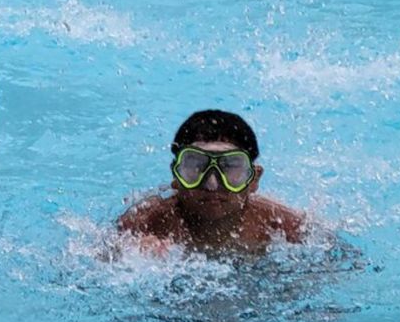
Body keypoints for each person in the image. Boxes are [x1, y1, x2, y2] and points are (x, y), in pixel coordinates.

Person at [118, 109, 306, 254]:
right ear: (176, 177)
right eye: (197, 166)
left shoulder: (282, 225)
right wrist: (129, 256)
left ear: (253, 179)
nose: (212, 184)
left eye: (230, 166)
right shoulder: (145, 223)